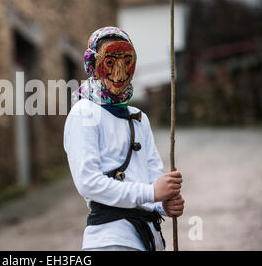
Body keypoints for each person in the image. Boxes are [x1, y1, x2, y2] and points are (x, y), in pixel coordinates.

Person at [63, 26, 184, 251]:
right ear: (93, 64)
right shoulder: (84, 113)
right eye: (110, 62)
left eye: (127, 61)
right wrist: (150, 193)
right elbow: (89, 183)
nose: (120, 72)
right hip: (111, 241)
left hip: (148, 241)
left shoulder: (139, 118)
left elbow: (152, 179)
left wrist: (163, 204)